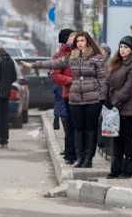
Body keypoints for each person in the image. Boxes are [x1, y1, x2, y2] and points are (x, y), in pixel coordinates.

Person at [23, 32, 107, 168]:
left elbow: (103, 79)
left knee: (89, 129)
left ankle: (88, 158)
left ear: (88, 42)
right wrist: (34, 65)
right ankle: (80, 157)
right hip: (75, 98)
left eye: (82, 40)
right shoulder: (71, 57)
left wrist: (102, 97)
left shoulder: (96, 58)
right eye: (77, 41)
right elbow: (54, 63)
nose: (79, 43)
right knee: (78, 129)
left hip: (92, 99)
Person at [105, 36, 132, 179]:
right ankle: (116, 168)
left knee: (127, 138)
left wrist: (114, 100)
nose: (122, 50)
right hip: (115, 108)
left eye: (126, 47)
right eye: (121, 46)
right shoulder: (117, 63)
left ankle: (128, 168)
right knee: (116, 138)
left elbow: (129, 88)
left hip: (128, 108)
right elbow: (110, 82)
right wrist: (106, 99)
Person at [49, 29, 77, 165]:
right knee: (68, 125)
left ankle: (76, 151)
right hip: (64, 94)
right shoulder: (59, 55)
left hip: (79, 94)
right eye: (72, 35)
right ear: (66, 38)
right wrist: (70, 81)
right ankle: (70, 152)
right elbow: (53, 76)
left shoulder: (79, 52)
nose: (75, 37)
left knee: (77, 125)